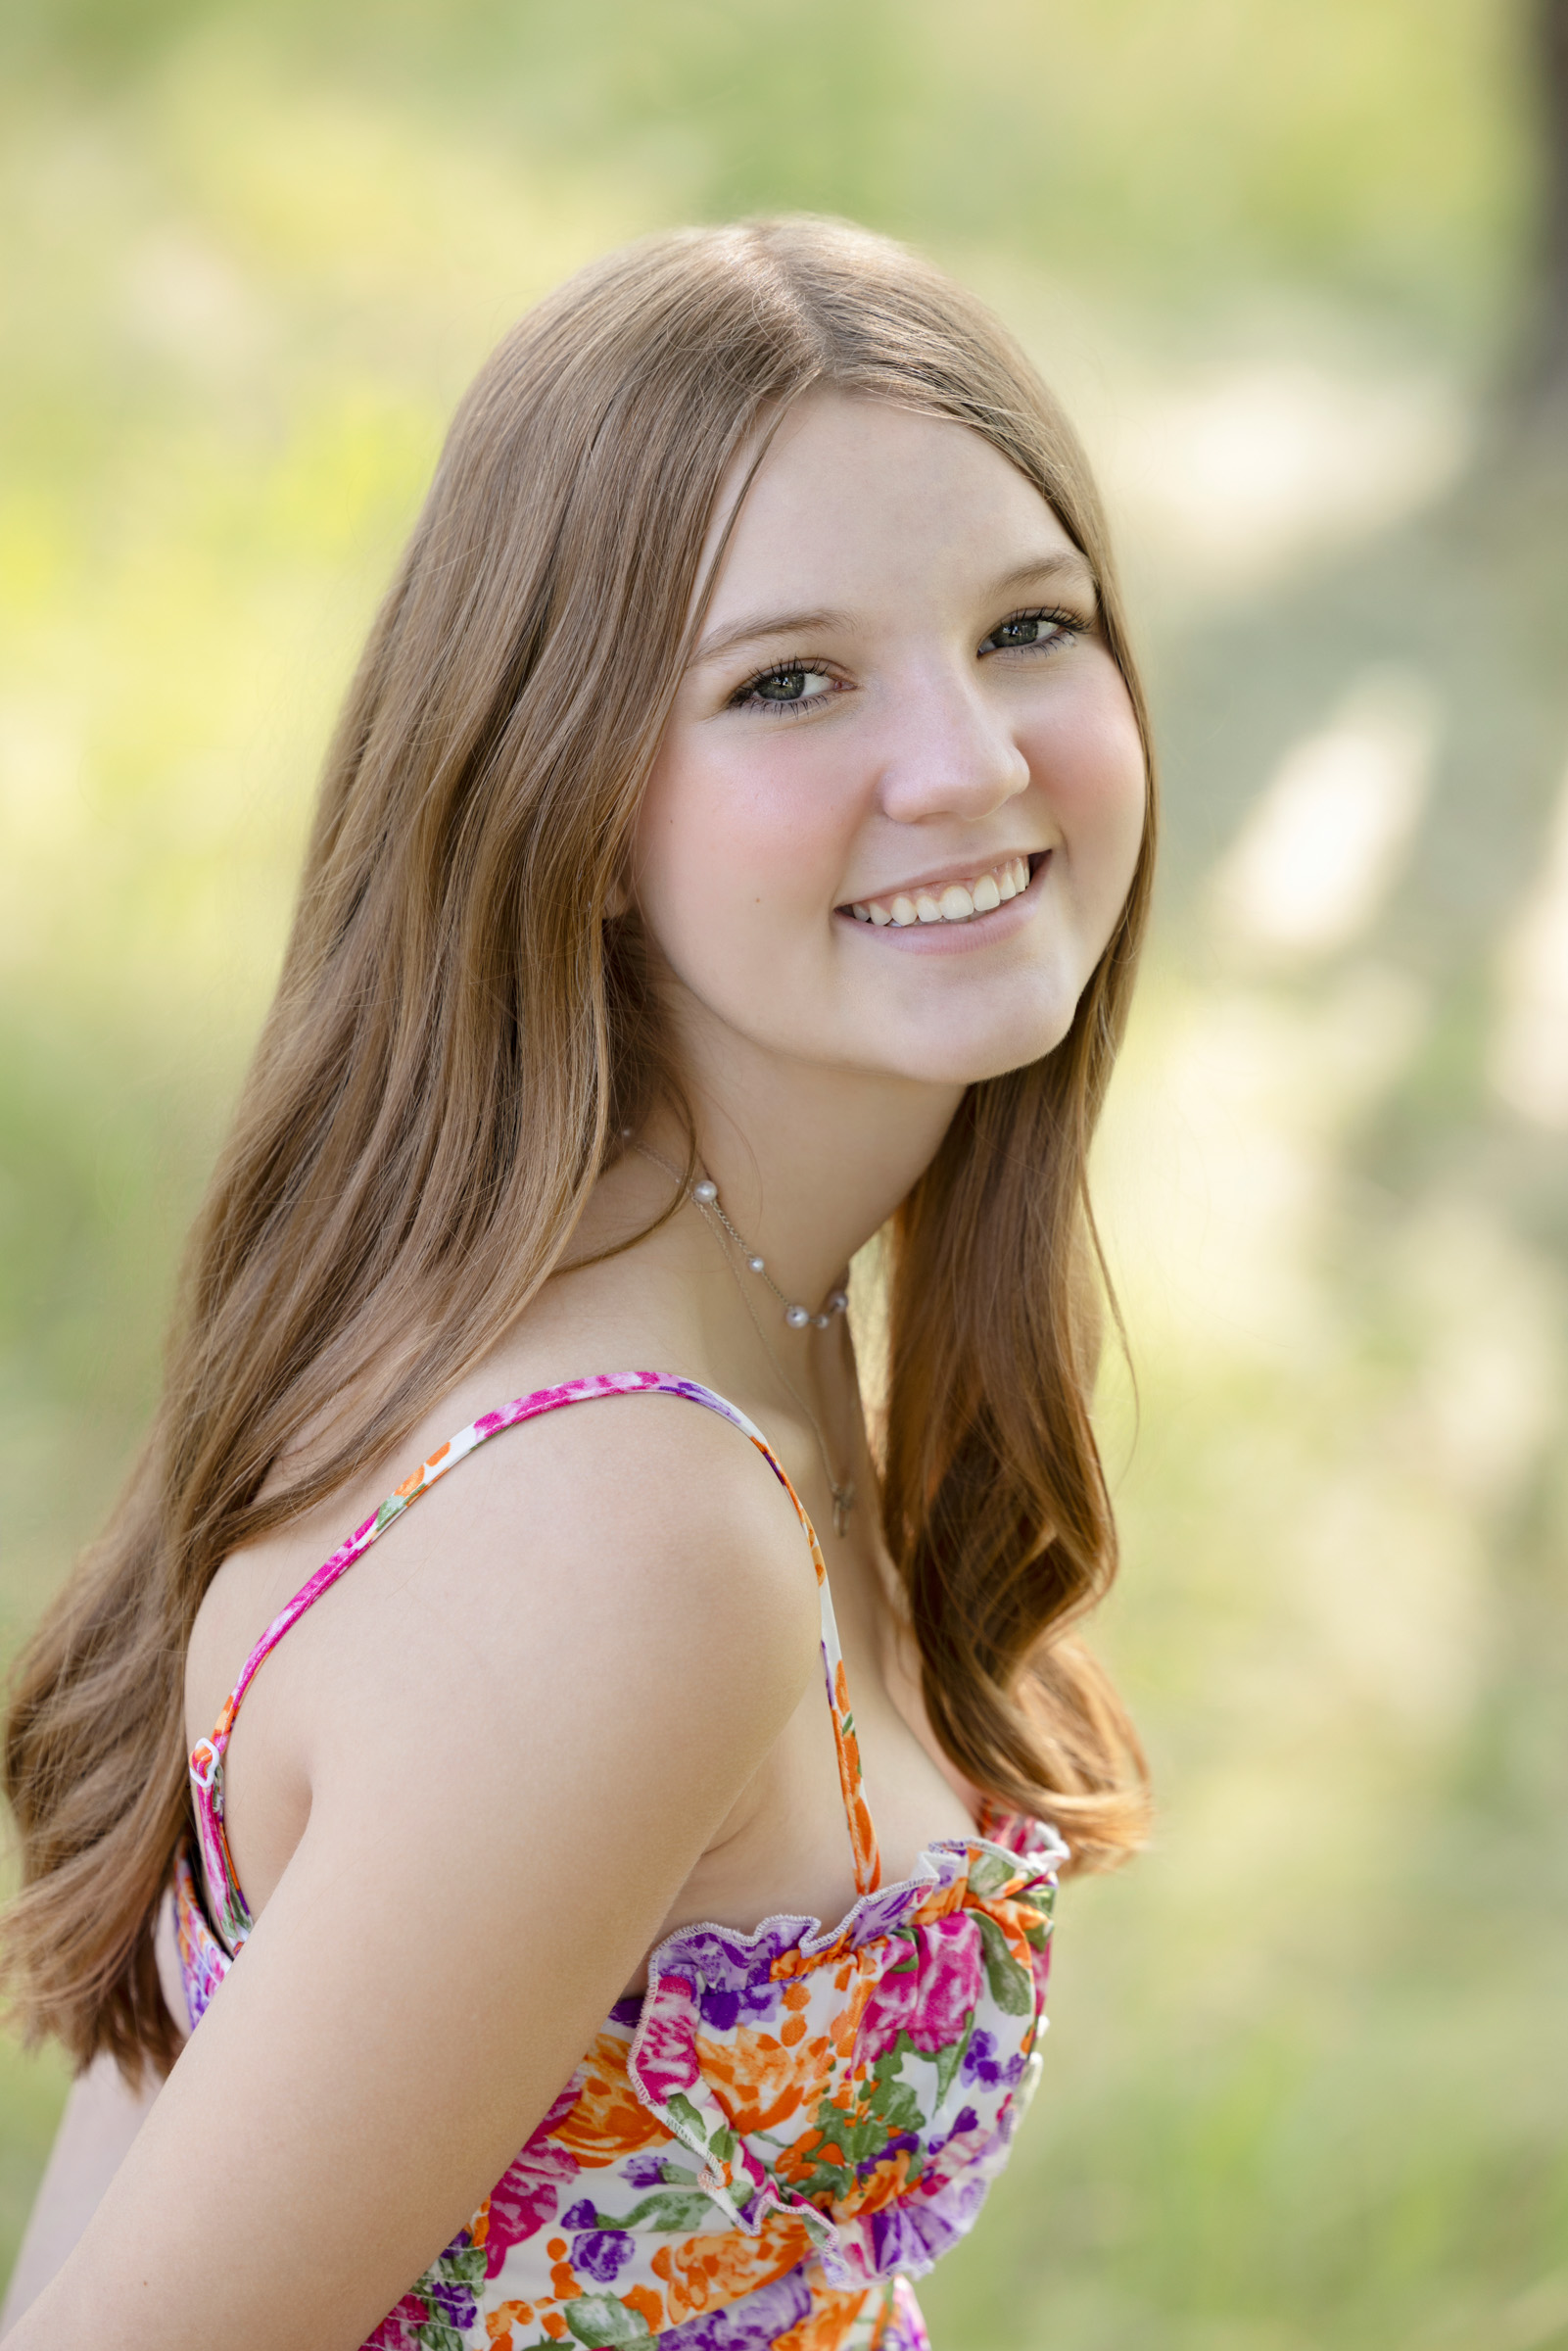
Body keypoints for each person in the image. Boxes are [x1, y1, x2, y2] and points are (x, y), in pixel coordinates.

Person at [0, 215, 1154, 2351]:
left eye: (1029, 628)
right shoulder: (616, 1534)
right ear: (562, 795)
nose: (971, 762)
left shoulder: (696, 1330)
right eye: (788, 680)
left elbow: (152, 2116)